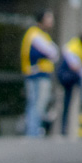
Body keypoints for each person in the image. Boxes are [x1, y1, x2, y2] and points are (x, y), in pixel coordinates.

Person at [20, 9, 60, 138]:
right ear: (41, 20)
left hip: (39, 74)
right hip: (37, 75)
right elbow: (53, 52)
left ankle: (33, 131)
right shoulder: (35, 34)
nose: (51, 22)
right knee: (37, 104)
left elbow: (53, 53)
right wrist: (49, 54)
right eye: (49, 18)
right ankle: (33, 132)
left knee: (36, 104)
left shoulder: (42, 35)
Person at [56, 34, 82, 137]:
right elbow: (74, 66)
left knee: (68, 101)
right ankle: (63, 129)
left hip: (74, 77)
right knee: (67, 102)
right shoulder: (73, 47)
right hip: (67, 76)